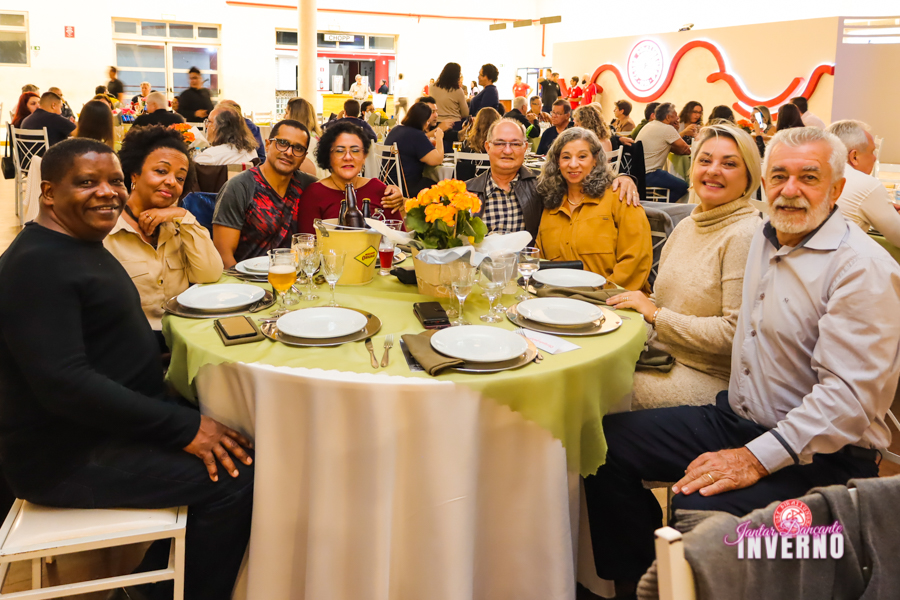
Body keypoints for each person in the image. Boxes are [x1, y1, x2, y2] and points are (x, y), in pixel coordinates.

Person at [584, 126, 900, 597]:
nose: (790, 190)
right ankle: (646, 582)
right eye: (780, 176)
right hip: (737, 420)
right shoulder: (766, 237)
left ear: (836, 189)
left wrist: (754, 458)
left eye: (808, 177)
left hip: (822, 454)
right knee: (602, 447)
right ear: (764, 183)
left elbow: (848, 403)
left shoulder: (860, 267)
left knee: (697, 507)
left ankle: (689, 577)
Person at [0, 138, 254, 600]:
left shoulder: (77, 244)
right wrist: (185, 428)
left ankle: (154, 579)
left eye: (114, 181)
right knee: (237, 477)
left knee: (240, 432)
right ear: (49, 193)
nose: (107, 192)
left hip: (107, 427)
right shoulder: (36, 264)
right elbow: (66, 384)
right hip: (67, 456)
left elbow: (107, 342)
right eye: (87, 182)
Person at [607, 122, 762, 409]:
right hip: (659, 357)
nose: (713, 170)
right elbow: (661, 300)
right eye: (705, 160)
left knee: (597, 391)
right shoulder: (688, 225)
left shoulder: (744, 235)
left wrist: (656, 315)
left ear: (749, 177)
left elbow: (734, 334)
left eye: (729, 164)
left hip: (708, 378)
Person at [106, 125, 222, 333]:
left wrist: (182, 216)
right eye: (161, 171)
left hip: (183, 334)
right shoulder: (108, 229)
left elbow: (209, 274)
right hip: (130, 340)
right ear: (134, 174)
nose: (171, 182)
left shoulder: (178, 226)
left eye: (180, 178)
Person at [535, 127, 653, 291]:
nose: (573, 164)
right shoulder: (551, 206)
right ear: (557, 162)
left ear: (595, 159)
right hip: (561, 298)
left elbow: (637, 259)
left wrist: (602, 294)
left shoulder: (619, 196)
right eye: (566, 157)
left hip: (614, 298)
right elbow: (541, 262)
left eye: (582, 156)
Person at [211, 119, 316, 267]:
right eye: (282, 143)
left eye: (298, 148)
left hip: (293, 276)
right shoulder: (239, 187)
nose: (288, 152)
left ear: (304, 156)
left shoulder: (309, 187)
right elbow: (223, 256)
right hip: (245, 277)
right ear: (267, 145)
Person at [299, 121, 404, 234]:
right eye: (340, 151)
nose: (348, 157)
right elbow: (306, 240)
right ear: (328, 156)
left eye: (355, 151)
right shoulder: (314, 194)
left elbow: (399, 236)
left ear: (364, 156)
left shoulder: (379, 190)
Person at [829, 119, 900, 246]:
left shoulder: (812, 174)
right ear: (854, 156)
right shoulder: (866, 185)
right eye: (872, 152)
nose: (875, 158)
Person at [383, 102, 444, 196]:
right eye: (427, 121)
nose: (427, 125)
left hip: (387, 184)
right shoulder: (417, 135)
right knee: (440, 187)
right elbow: (437, 160)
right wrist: (439, 138)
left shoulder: (396, 129)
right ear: (422, 121)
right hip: (407, 187)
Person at [635, 102, 692, 200]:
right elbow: (687, 150)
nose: (678, 118)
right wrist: (675, 130)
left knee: (668, 186)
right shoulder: (667, 128)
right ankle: (661, 206)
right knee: (683, 186)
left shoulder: (650, 125)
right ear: (668, 117)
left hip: (638, 173)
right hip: (650, 174)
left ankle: (657, 203)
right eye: (675, 115)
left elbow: (677, 150)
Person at [194, 105, 259, 166]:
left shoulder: (210, 156)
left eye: (209, 121)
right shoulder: (252, 152)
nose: (206, 126)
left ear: (219, 127)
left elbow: (192, 169)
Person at [284, 96, 324, 176]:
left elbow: (311, 173)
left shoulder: (303, 141)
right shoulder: (315, 135)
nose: (284, 116)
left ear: (295, 115)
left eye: (286, 113)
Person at [431, 62, 470, 128]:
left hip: (436, 123)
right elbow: (465, 113)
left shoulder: (432, 87)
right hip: (454, 124)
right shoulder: (458, 90)